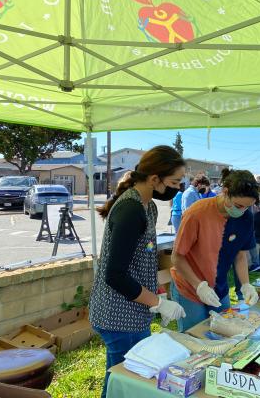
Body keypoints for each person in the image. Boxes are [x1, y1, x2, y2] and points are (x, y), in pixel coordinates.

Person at [89, 146, 187, 398]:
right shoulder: (130, 210)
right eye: (175, 181)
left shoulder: (148, 207)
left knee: (128, 379)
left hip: (135, 309)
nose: (178, 187)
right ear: (155, 179)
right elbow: (115, 275)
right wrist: (157, 303)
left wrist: (159, 295)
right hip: (119, 315)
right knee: (123, 382)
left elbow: (143, 259)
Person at [170, 169, 260, 331]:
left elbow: (240, 255)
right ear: (225, 192)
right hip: (190, 288)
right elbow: (177, 257)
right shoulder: (197, 213)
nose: (242, 211)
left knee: (224, 333)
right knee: (197, 336)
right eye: (239, 205)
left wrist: (246, 284)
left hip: (219, 287)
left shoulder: (246, 217)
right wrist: (199, 286)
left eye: (248, 207)